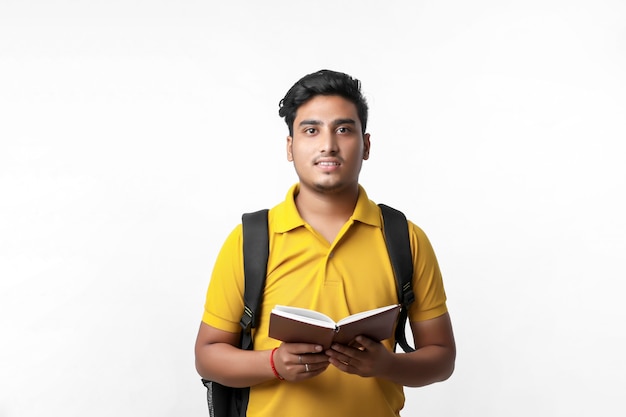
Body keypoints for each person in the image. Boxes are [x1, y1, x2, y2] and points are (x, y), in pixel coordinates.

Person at [195, 69, 456, 416]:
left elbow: (441, 357)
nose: (328, 144)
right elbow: (207, 355)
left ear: (366, 145)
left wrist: (386, 365)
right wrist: (273, 363)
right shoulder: (249, 239)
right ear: (290, 147)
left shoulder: (405, 238)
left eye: (344, 129)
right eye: (311, 130)